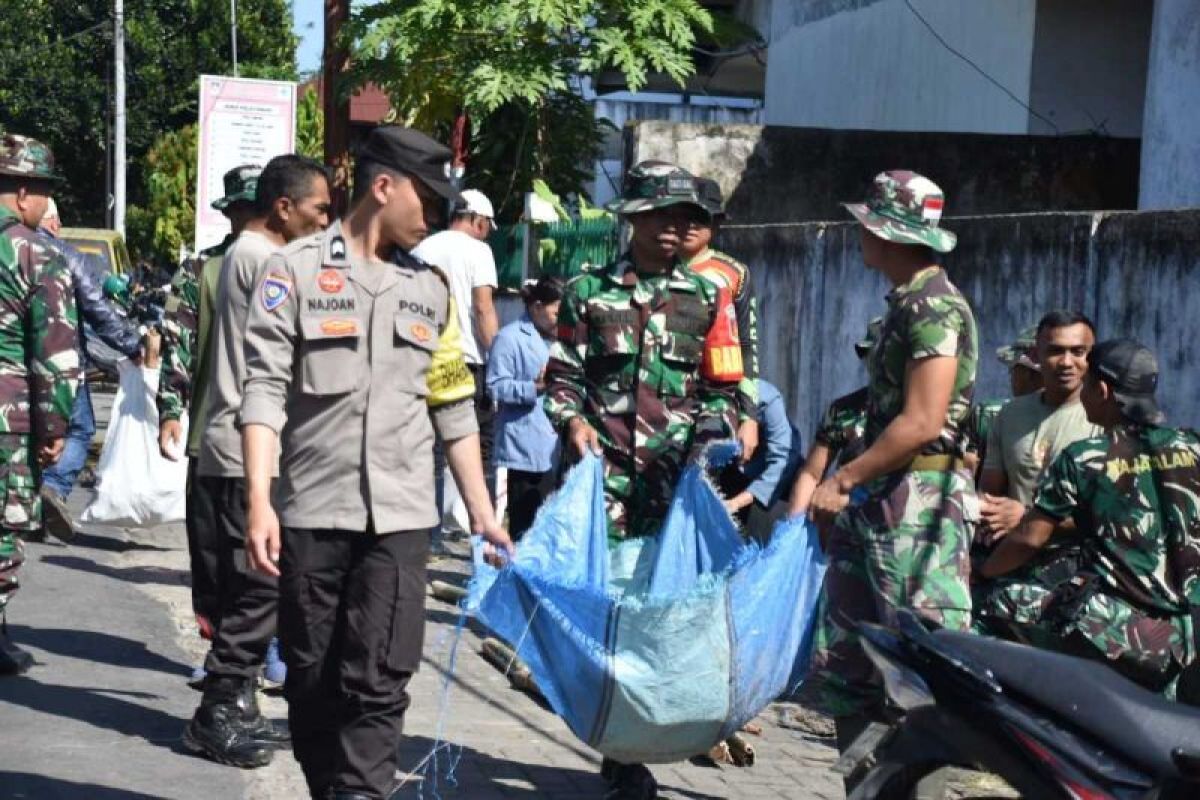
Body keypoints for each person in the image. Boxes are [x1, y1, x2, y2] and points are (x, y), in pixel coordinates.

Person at [240, 126, 512, 800]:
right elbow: (265, 392)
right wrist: (257, 502)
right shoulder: (293, 272)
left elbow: (453, 405)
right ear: (384, 187)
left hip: (400, 520)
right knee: (309, 676)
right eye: (429, 198)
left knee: (381, 679)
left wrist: (482, 514)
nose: (438, 216)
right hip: (310, 510)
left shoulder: (431, 290)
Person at [544, 160, 738, 799]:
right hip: (604, 484)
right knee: (609, 609)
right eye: (661, 218)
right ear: (633, 219)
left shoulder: (710, 298)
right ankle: (617, 744)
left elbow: (726, 389)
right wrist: (574, 426)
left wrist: (706, 441)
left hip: (672, 488)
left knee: (662, 610)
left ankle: (639, 742)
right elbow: (562, 378)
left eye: (685, 221)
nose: (674, 231)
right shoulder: (586, 291)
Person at [807, 171, 978, 759]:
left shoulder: (934, 306)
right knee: (845, 665)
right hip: (882, 497)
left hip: (918, 505)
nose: (860, 234)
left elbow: (924, 420)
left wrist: (844, 477)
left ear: (888, 232)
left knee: (924, 665)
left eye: (867, 223)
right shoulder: (907, 302)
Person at [183, 155, 331, 769]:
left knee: (253, 583)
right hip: (245, 451)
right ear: (284, 208)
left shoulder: (241, 257)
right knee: (261, 585)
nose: (327, 222)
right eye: (319, 210)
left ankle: (236, 702)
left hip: (231, 445)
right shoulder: (265, 262)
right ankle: (218, 707)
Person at [981, 340, 1200, 704]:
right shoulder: (1192, 446)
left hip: (1127, 627)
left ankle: (1029, 710)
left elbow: (1029, 539)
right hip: (1190, 626)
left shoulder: (1085, 458)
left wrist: (985, 571)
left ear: (1101, 391)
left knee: (990, 602)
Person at [158, 165, 260, 668]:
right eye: (241, 209)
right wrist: (171, 410)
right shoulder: (203, 270)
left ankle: (261, 646)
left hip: (281, 445)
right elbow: (178, 345)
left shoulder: (296, 268)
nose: (248, 218)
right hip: (211, 434)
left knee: (264, 553)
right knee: (212, 550)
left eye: (254, 207)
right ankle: (223, 643)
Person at [0, 134, 80, 674]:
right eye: (44, 191)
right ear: (23, 190)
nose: (45, 204)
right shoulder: (36, 252)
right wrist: (56, 425)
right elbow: (55, 351)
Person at [973, 313, 1103, 640]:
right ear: (1036, 355)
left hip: (1078, 575)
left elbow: (1111, 515)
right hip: (1010, 567)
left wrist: (1029, 519)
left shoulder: (1107, 418)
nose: (1066, 362)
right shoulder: (1010, 415)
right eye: (1055, 351)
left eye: (1079, 351)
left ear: (1093, 355)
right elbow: (989, 495)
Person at [36, 198, 143, 537]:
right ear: (52, 222)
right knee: (79, 429)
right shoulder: (67, 256)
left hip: (13, 364)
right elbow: (98, 310)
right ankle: (52, 488)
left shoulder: (11, 248)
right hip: (61, 362)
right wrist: (132, 346)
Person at [412, 187, 500, 505]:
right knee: (479, 444)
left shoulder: (422, 248)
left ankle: (430, 532)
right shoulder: (478, 251)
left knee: (431, 449)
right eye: (488, 225)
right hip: (469, 361)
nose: (487, 233)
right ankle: (482, 531)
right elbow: (483, 308)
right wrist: (497, 359)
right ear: (477, 220)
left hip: (425, 358)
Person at [679, 177, 761, 463]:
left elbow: (748, 346)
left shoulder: (733, 274)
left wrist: (749, 417)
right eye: (685, 216)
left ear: (715, 224)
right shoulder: (652, 267)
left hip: (712, 406)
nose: (690, 226)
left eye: (701, 219)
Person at [487, 276, 562, 540]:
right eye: (555, 313)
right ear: (537, 307)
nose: (559, 319)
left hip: (556, 445)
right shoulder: (510, 338)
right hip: (527, 445)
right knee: (526, 527)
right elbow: (495, 386)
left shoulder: (563, 338)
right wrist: (533, 388)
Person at [789, 318, 880, 516]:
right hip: (847, 522)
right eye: (868, 354)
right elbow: (812, 474)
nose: (874, 362)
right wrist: (792, 528)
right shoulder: (844, 410)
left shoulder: (921, 413)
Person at [718, 379, 802, 542]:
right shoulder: (698, 395)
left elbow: (781, 460)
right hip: (726, 469)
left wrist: (735, 503)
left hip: (776, 466)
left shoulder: (765, 398)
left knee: (807, 492)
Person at [963, 324, 1042, 474]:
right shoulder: (1084, 418)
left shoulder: (989, 414)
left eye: (1012, 369)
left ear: (1028, 374)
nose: (1011, 376)